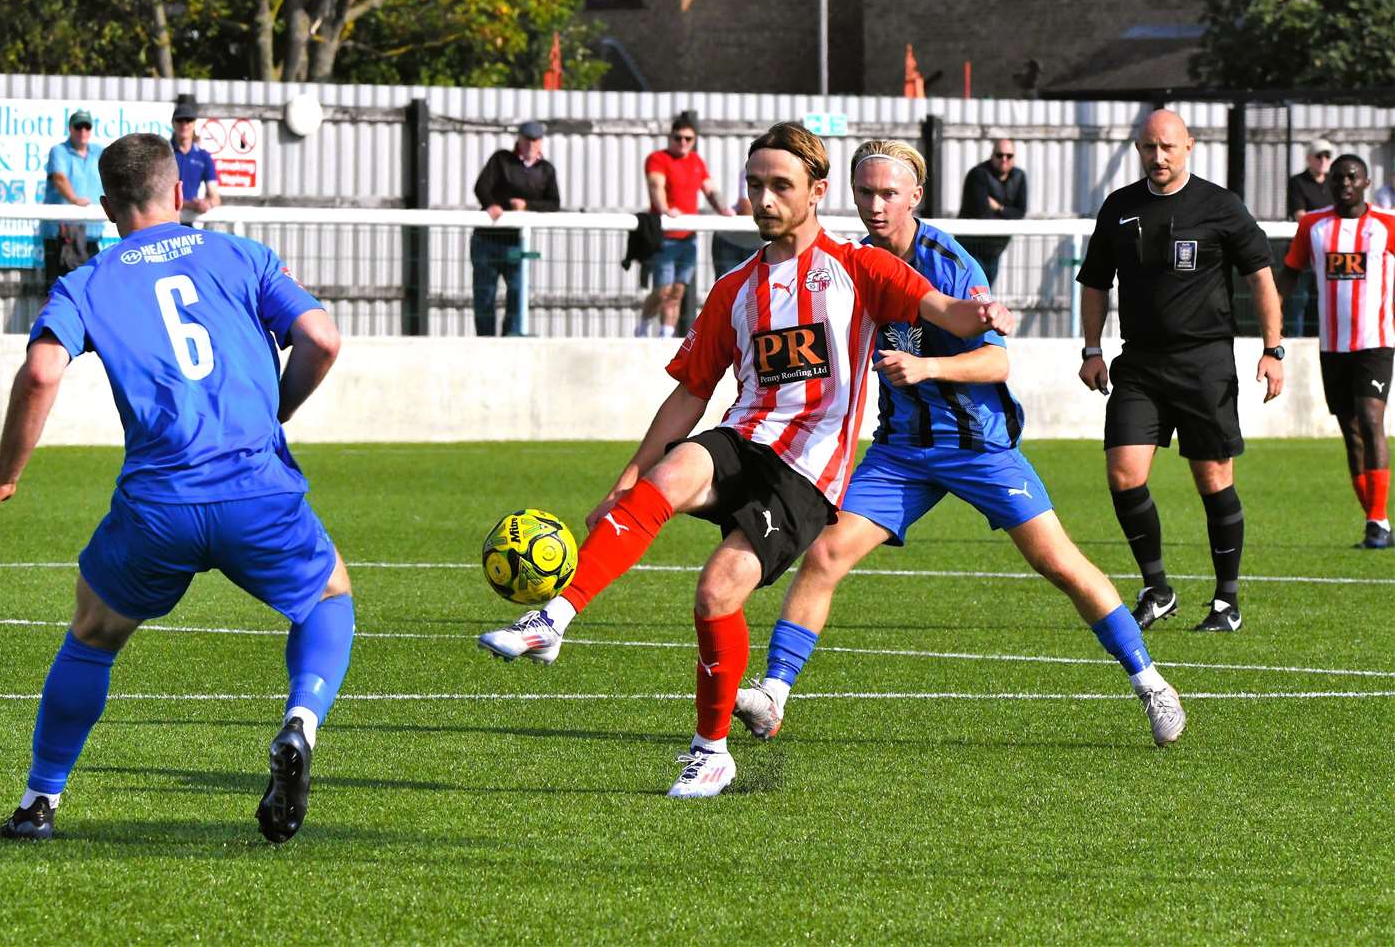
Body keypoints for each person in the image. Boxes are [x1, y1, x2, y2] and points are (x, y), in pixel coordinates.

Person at [477, 122, 1013, 797]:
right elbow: (692, 392)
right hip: (744, 435)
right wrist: (629, 475)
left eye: (779, 186)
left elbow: (950, 314)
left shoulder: (861, 269)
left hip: (807, 476)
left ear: (817, 192)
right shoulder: (735, 287)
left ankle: (711, 751)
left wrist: (984, 309)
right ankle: (552, 619)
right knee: (670, 476)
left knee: (715, 592)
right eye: (754, 185)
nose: (764, 199)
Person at [0, 132, 353, 845]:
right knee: (327, 595)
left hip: (159, 503)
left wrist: (4, 478)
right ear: (178, 192)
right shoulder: (240, 255)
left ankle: (39, 803)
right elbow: (322, 338)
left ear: (108, 206)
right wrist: (277, 410)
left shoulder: (88, 282)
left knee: (95, 634)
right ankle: (301, 720)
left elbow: (41, 373)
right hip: (257, 488)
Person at [729, 139, 1184, 749]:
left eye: (889, 193)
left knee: (1058, 563)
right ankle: (773, 695)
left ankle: (1151, 682)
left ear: (916, 196)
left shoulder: (947, 261)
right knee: (826, 554)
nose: (875, 205)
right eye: (865, 193)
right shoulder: (853, 264)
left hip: (978, 447)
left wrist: (930, 370)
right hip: (901, 452)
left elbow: (996, 362)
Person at [1077, 109, 1285, 634]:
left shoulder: (1220, 206)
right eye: (1149, 147)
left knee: (1212, 479)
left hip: (1205, 365)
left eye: (1168, 147)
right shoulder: (1120, 207)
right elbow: (1096, 282)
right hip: (1139, 365)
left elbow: (1261, 278)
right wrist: (1091, 349)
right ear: (1139, 149)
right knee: (1124, 475)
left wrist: (1273, 349)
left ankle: (1226, 601)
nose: (1158, 157)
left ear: (1188, 145)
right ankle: (1157, 588)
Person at [1275, 154, 1395, 549]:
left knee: (1371, 418)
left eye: (1353, 177)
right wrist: (1271, 315)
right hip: (1333, 347)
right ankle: (1377, 522)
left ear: (1365, 182)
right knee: (1351, 432)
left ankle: (1377, 521)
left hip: (1376, 342)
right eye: (1339, 178)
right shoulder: (1313, 225)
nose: (1345, 183)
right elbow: (1290, 273)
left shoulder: (1387, 225)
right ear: (1329, 184)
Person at [639, 111, 734, 337]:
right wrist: (664, 209)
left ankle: (666, 336)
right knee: (662, 291)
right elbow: (656, 186)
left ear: (694, 141)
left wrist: (724, 210)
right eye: (678, 138)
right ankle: (643, 325)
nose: (683, 143)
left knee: (678, 291)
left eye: (688, 139)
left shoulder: (696, 161)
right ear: (670, 138)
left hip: (688, 238)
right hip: (665, 237)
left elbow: (710, 190)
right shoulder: (657, 159)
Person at [471, 120, 560, 336]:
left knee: (518, 292)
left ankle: (511, 338)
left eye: (535, 140)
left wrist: (527, 206)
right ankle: (486, 341)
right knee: (485, 293)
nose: (531, 144)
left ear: (540, 142)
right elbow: (482, 186)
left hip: (517, 243)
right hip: (487, 239)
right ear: (519, 139)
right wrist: (492, 204)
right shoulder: (501, 160)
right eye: (527, 139)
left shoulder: (546, 170)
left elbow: (554, 204)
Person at [41, 109, 105, 285]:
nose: (82, 131)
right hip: (61, 237)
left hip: (90, 235)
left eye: (86, 126)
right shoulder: (59, 151)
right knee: (56, 291)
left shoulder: (99, 153)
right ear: (70, 128)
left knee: (89, 290)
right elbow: (59, 179)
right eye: (78, 126)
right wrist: (75, 200)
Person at [956, 137, 1027, 289]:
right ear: (992, 155)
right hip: (971, 248)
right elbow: (982, 212)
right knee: (972, 294)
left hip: (996, 249)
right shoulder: (978, 174)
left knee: (986, 294)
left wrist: (999, 208)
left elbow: (1020, 213)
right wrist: (1008, 212)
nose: (1004, 159)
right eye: (999, 155)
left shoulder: (1019, 177)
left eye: (1009, 156)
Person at [1281, 137, 1334, 337]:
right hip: (1303, 249)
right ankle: (1295, 341)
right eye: (1319, 156)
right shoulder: (1298, 182)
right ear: (1309, 158)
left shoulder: (1334, 182)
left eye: (1327, 156)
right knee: (1298, 300)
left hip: (1327, 250)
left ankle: (1318, 339)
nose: (1323, 160)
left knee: (1319, 299)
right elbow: (1301, 216)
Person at [171, 94, 221, 214]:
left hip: (192, 222)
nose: (184, 124)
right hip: (168, 221)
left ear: (194, 124)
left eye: (188, 120)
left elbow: (215, 197)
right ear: (173, 123)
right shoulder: (163, 153)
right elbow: (155, 195)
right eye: (180, 120)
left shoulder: (204, 157)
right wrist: (190, 205)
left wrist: (206, 203)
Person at [709, 168, 759, 277]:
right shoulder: (751, 170)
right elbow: (746, 208)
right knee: (726, 289)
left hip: (757, 243)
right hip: (729, 240)